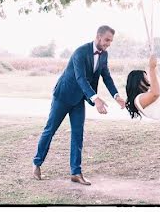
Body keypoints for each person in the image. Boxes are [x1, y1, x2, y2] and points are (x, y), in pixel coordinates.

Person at [32, 26, 126, 185]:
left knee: (78, 134)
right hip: (63, 95)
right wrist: (96, 99)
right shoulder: (80, 52)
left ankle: (75, 173)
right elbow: (81, 78)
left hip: (79, 99)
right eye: (107, 40)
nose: (108, 43)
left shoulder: (104, 55)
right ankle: (37, 164)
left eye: (111, 41)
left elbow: (107, 77)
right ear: (98, 37)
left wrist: (117, 96)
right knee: (50, 130)